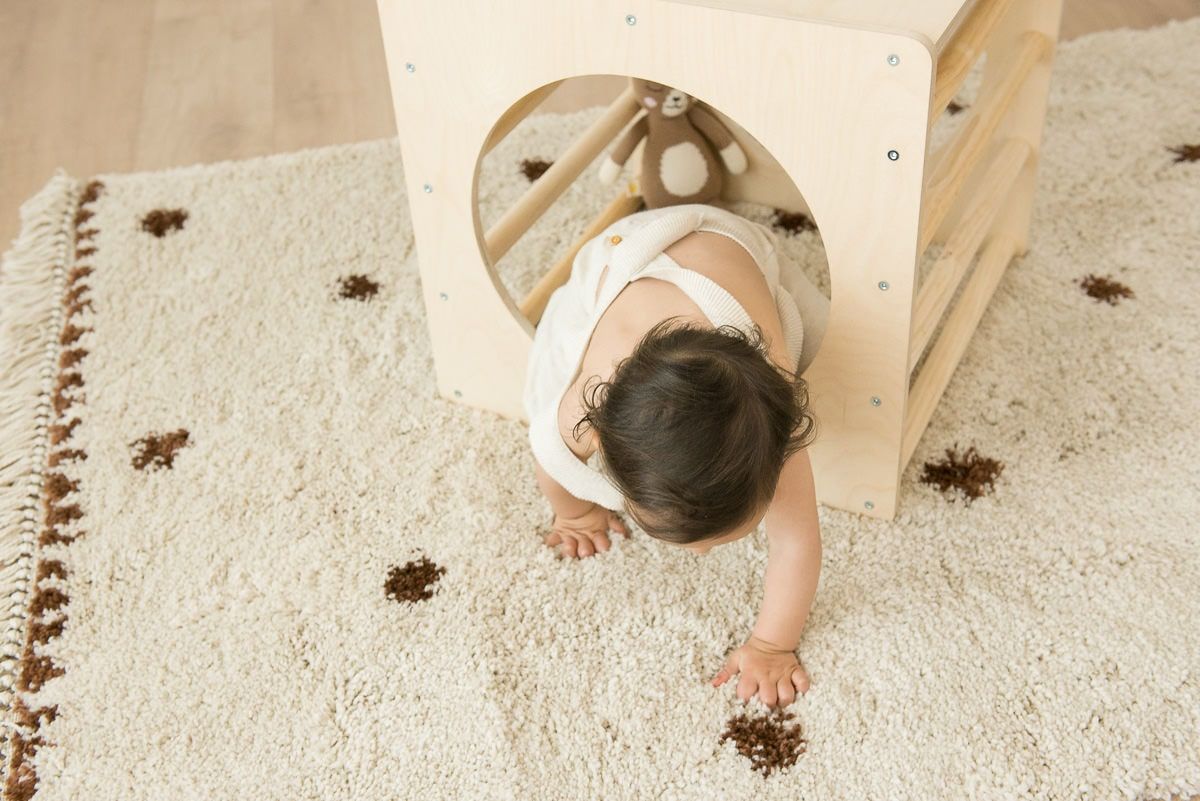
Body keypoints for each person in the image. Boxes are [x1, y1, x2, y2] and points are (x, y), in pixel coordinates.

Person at [523, 202, 830, 709]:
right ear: (597, 437)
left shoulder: (775, 422)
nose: (701, 555)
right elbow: (548, 451)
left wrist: (773, 646)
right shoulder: (586, 400)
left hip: (735, 239)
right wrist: (573, 513)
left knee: (824, 342)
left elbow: (798, 541)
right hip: (622, 253)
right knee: (554, 355)